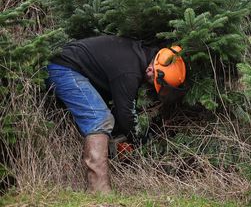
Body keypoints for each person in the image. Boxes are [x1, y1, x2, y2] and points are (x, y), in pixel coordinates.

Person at [46, 35, 186, 193]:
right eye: (153, 80)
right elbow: (126, 114)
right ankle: (99, 190)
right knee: (99, 119)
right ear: (152, 69)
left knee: (107, 118)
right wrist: (138, 140)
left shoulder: (140, 54)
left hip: (72, 68)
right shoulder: (129, 71)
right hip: (64, 69)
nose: (151, 83)